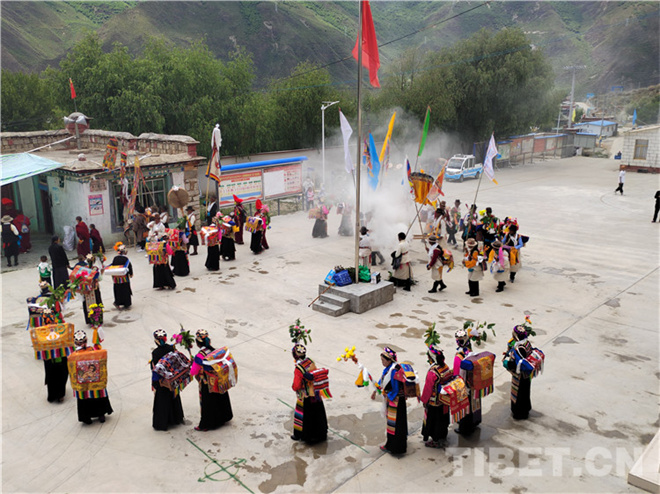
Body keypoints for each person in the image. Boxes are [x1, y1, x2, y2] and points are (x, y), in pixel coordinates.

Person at [190, 330, 233, 431]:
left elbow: (193, 372)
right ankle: (224, 417)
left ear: (197, 343)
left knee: (208, 404)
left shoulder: (199, 356)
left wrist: (194, 363)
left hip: (207, 383)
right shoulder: (214, 351)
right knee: (220, 399)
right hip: (219, 380)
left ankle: (206, 424)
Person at [69, 331, 113, 425]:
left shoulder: (73, 356)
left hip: (83, 383)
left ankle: (86, 417)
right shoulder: (93, 351)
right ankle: (101, 414)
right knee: (98, 396)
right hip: (95, 380)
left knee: (84, 399)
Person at [503, 324, 543, 420]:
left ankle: (519, 413)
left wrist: (507, 363)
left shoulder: (519, 348)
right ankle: (525, 410)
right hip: (527, 375)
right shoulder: (527, 343)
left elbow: (517, 364)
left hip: (520, 375)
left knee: (519, 394)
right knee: (525, 392)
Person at [372, 347, 407, 455]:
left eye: (383, 360)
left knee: (394, 425)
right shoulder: (389, 368)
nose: (382, 362)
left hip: (395, 401)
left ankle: (393, 447)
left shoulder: (393, 371)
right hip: (395, 400)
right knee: (397, 424)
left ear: (389, 360)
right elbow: (382, 380)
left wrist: (387, 395)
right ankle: (396, 444)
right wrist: (375, 391)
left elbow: (395, 389)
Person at [291, 343, 328, 444]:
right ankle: (320, 435)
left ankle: (303, 436)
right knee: (318, 414)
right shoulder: (310, 361)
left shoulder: (299, 369)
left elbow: (297, 385)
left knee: (303, 416)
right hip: (315, 392)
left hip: (305, 396)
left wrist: (293, 387)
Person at [150, 330, 185, 431]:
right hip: (173, 379)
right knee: (174, 397)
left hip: (163, 381)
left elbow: (156, 369)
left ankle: (162, 424)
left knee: (162, 402)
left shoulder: (155, 353)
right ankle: (176, 418)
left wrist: (155, 383)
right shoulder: (171, 348)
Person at [420, 344, 453, 448]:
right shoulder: (445, 366)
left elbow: (428, 388)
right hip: (444, 400)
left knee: (434, 420)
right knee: (443, 419)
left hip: (434, 402)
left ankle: (435, 440)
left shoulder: (432, 372)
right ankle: (443, 435)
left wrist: (424, 400)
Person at [109, 243, 133, 309]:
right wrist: (130, 274)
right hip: (124, 278)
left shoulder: (115, 258)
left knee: (118, 290)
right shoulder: (125, 259)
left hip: (116, 278)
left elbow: (113, 266)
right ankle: (126, 303)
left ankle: (117, 302)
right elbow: (129, 267)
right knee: (125, 290)